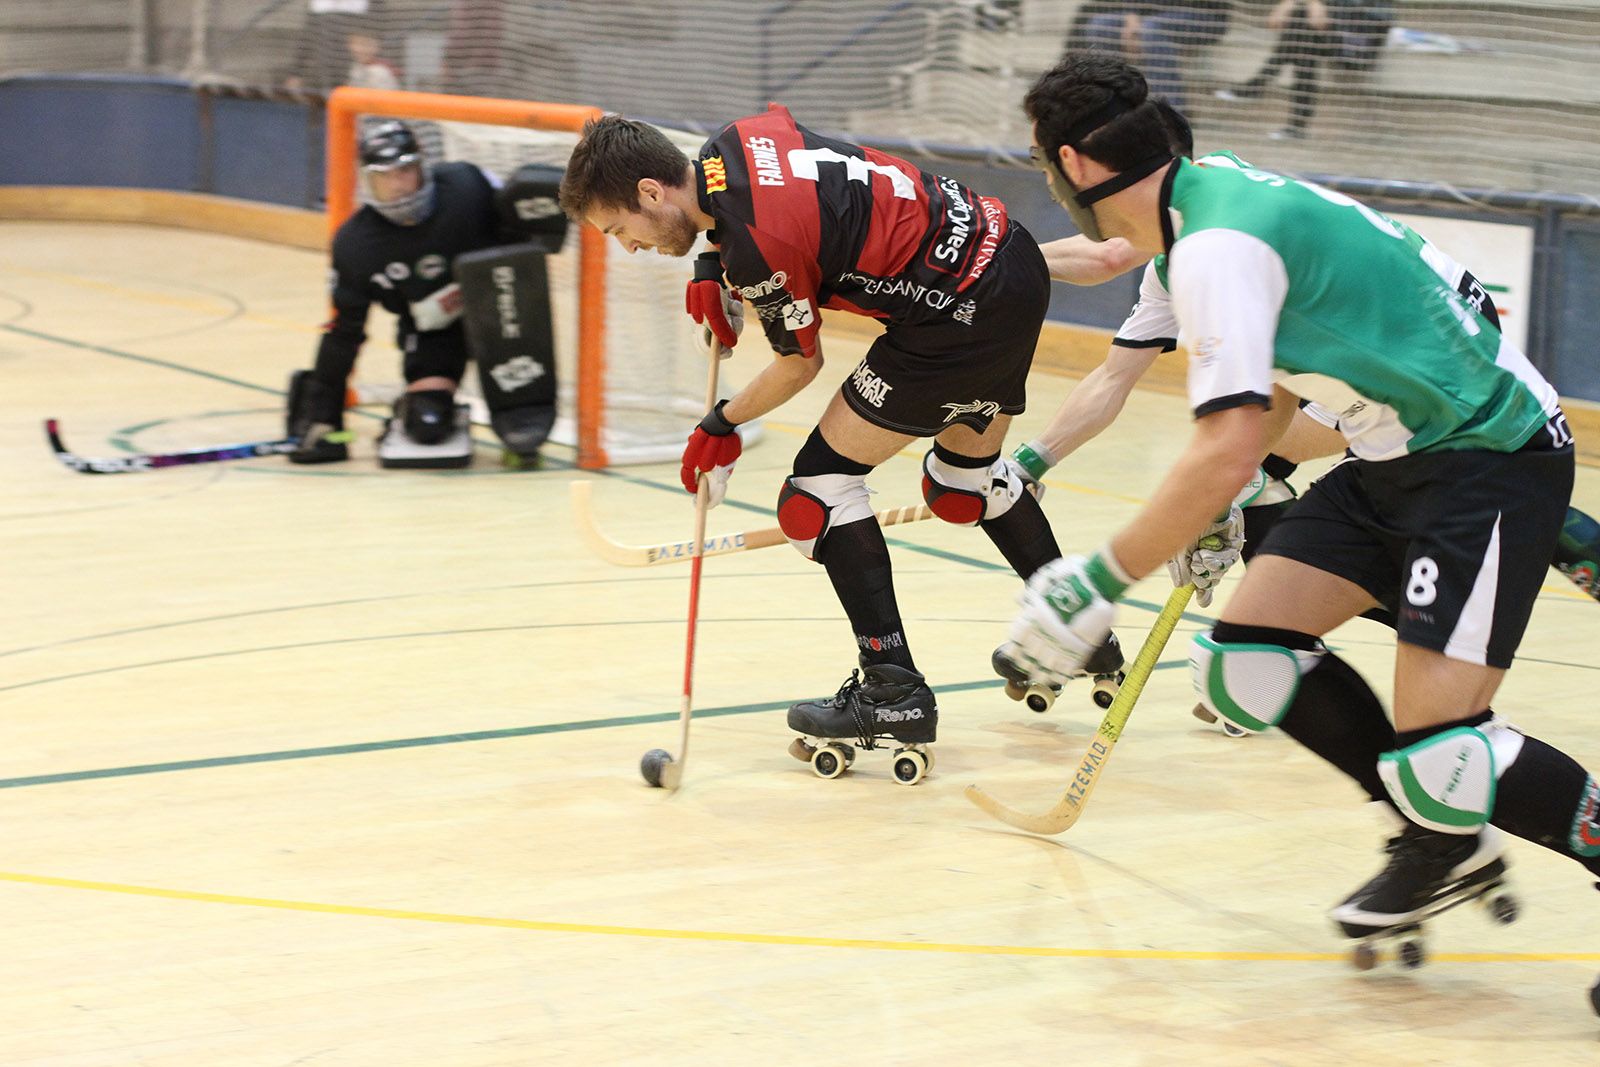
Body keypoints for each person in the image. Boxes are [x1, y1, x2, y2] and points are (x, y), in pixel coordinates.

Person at [1012, 51, 1600, 1008]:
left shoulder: (1214, 246)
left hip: (1488, 456)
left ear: (1075, 166)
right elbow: (1285, 373)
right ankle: (1439, 837)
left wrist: (1095, 580)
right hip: (1391, 453)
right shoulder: (1207, 207)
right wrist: (1233, 496)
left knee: (1446, 748)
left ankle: (1461, 810)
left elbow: (1224, 448)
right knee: (1246, 659)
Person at [557, 107, 1122, 777]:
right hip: (1011, 259)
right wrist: (711, 264)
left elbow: (799, 362)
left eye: (621, 229)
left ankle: (893, 689)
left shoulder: (758, 248)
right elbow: (755, 207)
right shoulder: (733, 142)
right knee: (964, 482)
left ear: (651, 193)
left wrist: (721, 422)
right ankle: (1079, 629)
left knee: (815, 494)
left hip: (955, 315)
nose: (627, 245)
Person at [287, 120, 562, 467]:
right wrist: (323, 415)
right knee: (427, 425)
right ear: (367, 182)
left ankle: (520, 427)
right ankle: (412, 407)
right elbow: (344, 333)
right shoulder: (356, 245)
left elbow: (523, 240)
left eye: (405, 171)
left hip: (506, 313)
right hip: (437, 331)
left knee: (525, 425)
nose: (398, 185)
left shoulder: (468, 186)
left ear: (421, 166)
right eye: (383, 177)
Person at [1212, 0, 1392, 140]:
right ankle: (1293, 125)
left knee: (1300, 32)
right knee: (1302, 41)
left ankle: (1255, 88)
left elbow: (1361, 20)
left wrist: (1309, 5)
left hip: (1358, 45)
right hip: (1321, 38)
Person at [1071, 1, 1232, 110]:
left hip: (1202, 13)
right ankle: (1114, 103)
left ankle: (1171, 111)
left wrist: (1139, 26)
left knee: (1152, 30)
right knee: (1100, 25)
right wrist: (1132, 17)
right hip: (1150, 13)